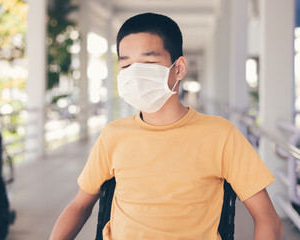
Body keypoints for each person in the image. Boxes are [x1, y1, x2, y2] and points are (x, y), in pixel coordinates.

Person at [49, 12, 283, 240]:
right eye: (126, 66)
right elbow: (80, 205)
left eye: (148, 62)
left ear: (179, 68)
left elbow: (267, 219)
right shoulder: (113, 136)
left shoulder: (221, 135)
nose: (135, 75)